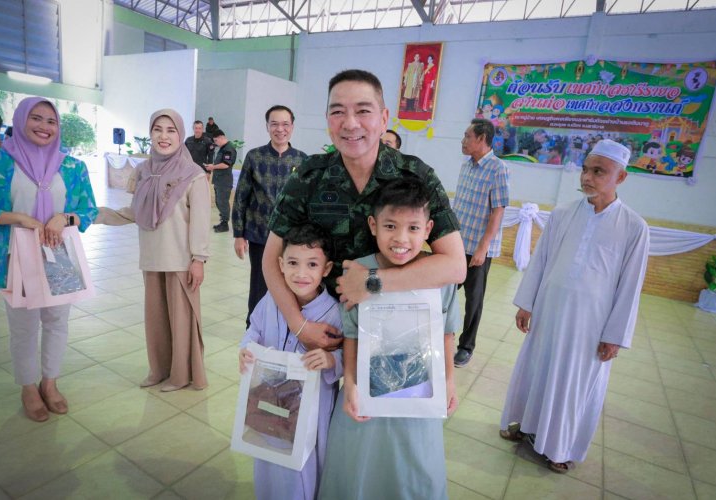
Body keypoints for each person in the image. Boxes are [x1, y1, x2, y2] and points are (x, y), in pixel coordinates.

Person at [263, 69, 466, 353]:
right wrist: (299, 326)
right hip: (322, 327)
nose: (350, 123)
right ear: (328, 121)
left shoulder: (415, 176)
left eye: (363, 111)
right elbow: (271, 260)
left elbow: (455, 266)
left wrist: (372, 282)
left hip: (389, 332)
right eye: (337, 112)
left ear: (383, 120)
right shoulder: (308, 177)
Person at [500, 139, 649, 473]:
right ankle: (524, 426)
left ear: (620, 178)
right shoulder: (564, 213)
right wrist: (527, 303)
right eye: (585, 169)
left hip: (591, 325)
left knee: (574, 382)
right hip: (550, 312)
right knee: (537, 368)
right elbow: (541, 261)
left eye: (599, 171)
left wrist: (615, 335)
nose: (588, 177)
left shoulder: (634, 227)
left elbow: (630, 287)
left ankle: (559, 448)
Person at [318, 177, 459, 500]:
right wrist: (351, 383)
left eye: (413, 228)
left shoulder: (440, 275)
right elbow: (351, 335)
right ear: (373, 225)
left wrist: (449, 379)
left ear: (428, 229)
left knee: (414, 468)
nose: (401, 239)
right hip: (368, 393)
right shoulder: (358, 272)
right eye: (390, 226)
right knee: (359, 468)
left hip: (420, 393)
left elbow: (447, 331)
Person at [0, 97, 98, 421]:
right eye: (36, 118)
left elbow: (89, 210)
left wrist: (64, 218)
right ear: (20, 120)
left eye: (51, 121)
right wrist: (18, 217)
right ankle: (28, 386)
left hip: (58, 252)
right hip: (14, 253)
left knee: (58, 321)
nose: (44, 126)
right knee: (23, 325)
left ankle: (50, 382)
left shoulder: (72, 167)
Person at [97, 109, 211, 392]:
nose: (163, 136)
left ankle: (181, 375)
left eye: (171, 130)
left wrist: (199, 259)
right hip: (151, 258)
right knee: (156, 321)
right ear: (150, 134)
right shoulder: (144, 171)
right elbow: (136, 212)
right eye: (157, 129)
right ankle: (158, 369)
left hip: (181, 260)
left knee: (181, 322)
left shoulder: (193, 174)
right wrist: (94, 214)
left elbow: (200, 221)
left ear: (180, 134)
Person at [239, 224, 342, 500]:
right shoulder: (271, 300)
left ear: (327, 268)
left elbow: (347, 355)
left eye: (312, 264)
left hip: (311, 408)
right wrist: (247, 350)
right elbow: (254, 330)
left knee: (303, 467)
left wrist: (332, 359)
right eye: (293, 263)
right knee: (268, 455)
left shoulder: (333, 312)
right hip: (269, 401)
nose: (301, 273)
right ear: (281, 265)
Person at [232, 105, 307, 327]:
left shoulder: (302, 160)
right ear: (267, 127)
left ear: (292, 127)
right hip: (258, 235)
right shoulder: (254, 157)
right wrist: (238, 234)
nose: (280, 129)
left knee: (289, 283)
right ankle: (253, 326)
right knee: (259, 283)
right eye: (274, 124)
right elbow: (241, 198)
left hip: (290, 238)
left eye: (285, 124)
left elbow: (305, 201)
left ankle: (284, 325)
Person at [453, 118, 510, 367]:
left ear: (482, 139)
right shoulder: (466, 166)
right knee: (442, 293)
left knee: (473, 301)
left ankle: (466, 346)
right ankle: (439, 336)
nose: (463, 141)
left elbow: (498, 211)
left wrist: (482, 248)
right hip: (456, 245)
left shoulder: (498, 169)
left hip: (477, 249)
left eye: (467, 136)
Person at [205, 129, 236, 233]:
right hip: (219, 180)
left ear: (221, 137)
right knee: (219, 201)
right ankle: (222, 221)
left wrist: (212, 167)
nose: (216, 143)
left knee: (223, 202)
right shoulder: (223, 149)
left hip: (224, 181)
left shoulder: (229, 149)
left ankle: (225, 224)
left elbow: (226, 164)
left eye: (216, 140)